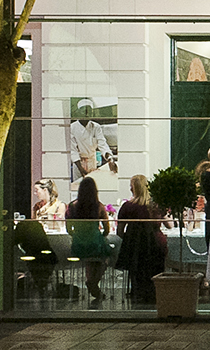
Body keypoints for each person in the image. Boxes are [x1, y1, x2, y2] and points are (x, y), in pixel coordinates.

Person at [116, 173, 168, 304]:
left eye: (131, 186)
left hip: (135, 248)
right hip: (156, 245)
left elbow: (120, 231)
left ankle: (138, 293)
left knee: (137, 268)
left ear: (134, 188)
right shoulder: (155, 205)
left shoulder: (127, 207)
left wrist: (130, 238)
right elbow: (169, 224)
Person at [65, 176, 115, 303]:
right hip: (95, 243)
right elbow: (107, 229)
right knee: (105, 258)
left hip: (79, 245)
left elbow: (68, 229)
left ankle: (92, 284)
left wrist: (77, 234)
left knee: (89, 261)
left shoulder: (72, 206)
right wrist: (100, 236)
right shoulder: (99, 207)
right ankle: (93, 282)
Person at [70, 101, 117, 178]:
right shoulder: (72, 128)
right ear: (78, 112)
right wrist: (81, 169)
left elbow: (102, 144)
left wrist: (110, 159)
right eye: (85, 111)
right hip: (79, 164)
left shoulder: (96, 127)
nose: (87, 114)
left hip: (92, 162)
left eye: (90, 112)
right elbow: (73, 151)